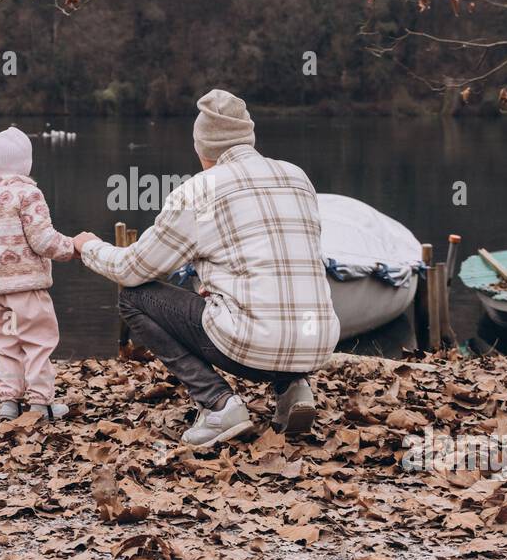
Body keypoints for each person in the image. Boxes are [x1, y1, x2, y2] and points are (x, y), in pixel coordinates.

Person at [74, 90, 340, 447]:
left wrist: (89, 246)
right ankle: (294, 389)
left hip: (251, 345)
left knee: (134, 297)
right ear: (250, 137)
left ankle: (218, 404)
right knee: (274, 299)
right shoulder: (297, 177)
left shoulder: (198, 190)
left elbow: (133, 269)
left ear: (202, 149)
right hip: (317, 341)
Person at [0, 126, 77, 420]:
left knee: (8, 342)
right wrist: (73, 247)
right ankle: (40, 403)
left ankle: (9, 403)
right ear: (27, 164)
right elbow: (43, 240)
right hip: (27, 288)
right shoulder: (29, 194)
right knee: (38, 342)